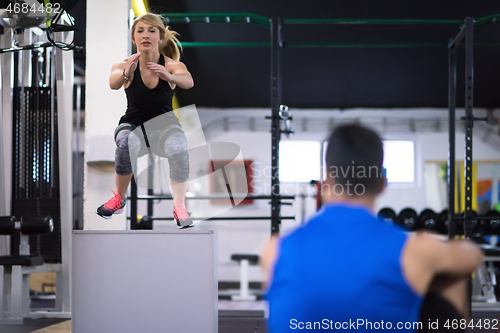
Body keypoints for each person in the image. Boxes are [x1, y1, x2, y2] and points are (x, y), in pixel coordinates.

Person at [261, 124, 484, 332]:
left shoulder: (274, 250)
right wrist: (430, 251)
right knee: (450, 278)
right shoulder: (415, 250)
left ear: (325, 180)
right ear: (382, 183)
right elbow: (473, 256)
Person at [96, 13, 194, 229]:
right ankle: (119, 199)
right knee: (125, 143)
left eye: (151, 31)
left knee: (178, 149)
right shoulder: (124, 65)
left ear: (160, 37)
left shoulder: (171, 65)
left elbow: (188, 81)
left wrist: (170, 78)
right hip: (134, 125)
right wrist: (125, 74)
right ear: (134, 38)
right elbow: (113, 83)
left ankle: (179, 206)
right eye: (140, 31)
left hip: (166, 127)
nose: (145, 35)